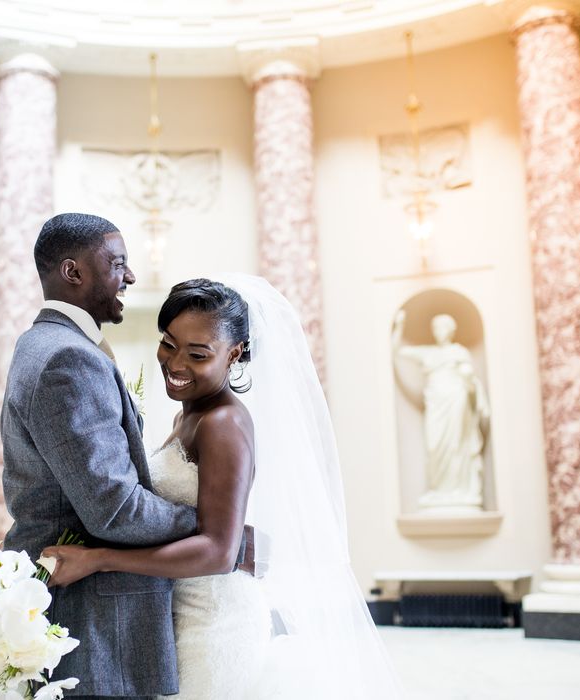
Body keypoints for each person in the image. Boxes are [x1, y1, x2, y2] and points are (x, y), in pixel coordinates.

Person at [42, 276, 402, 699]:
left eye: (197, 354)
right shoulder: (189, 415)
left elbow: (218, 551)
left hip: (212, 627)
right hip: (180, 615)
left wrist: (97, 559)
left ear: (234, 354)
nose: (175, 364)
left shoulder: (223, 424)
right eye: (168, 343)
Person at [1, 213, 247, 700]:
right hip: (95, 618)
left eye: (197, 353)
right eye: (118, 264)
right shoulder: (68, 358)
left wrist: (219, 537)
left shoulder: (42, 346)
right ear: (74, 272)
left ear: (233, 354)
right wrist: (218, 533)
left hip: (117, 603)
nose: (131, 276)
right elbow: (114, 508)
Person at [392, 310, 490, 509]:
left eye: (443, 327)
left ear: (451, 330)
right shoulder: (429, 353)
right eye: (435, 327)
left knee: (456, 445)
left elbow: (471, 383)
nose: (439, 331)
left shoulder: (459, 352)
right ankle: (440, 490)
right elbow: (396, 351)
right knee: (435, 446)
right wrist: (399, 327)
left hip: (456, 401)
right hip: (436, 404)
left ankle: (458, 491)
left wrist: (468, 378)